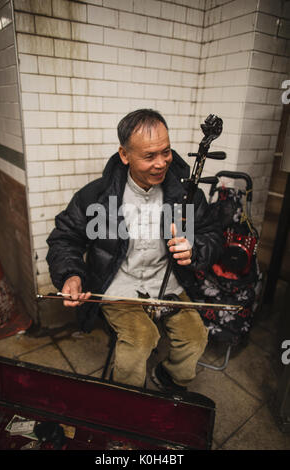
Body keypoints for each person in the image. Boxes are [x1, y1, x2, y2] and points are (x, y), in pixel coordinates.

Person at [46, 109, 223, 392]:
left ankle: (170, 376)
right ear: (125, 155)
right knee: (140, 340)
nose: (161, 163)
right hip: (120, 286)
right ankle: (127, 401)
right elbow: (65, 238)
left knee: (195, 338)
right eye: (149, 156)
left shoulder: (186, 195)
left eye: (165, 152)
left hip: (168, 284)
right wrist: (70, 274)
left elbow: (211, 233)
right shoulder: (98, 197)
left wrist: (196, 248)